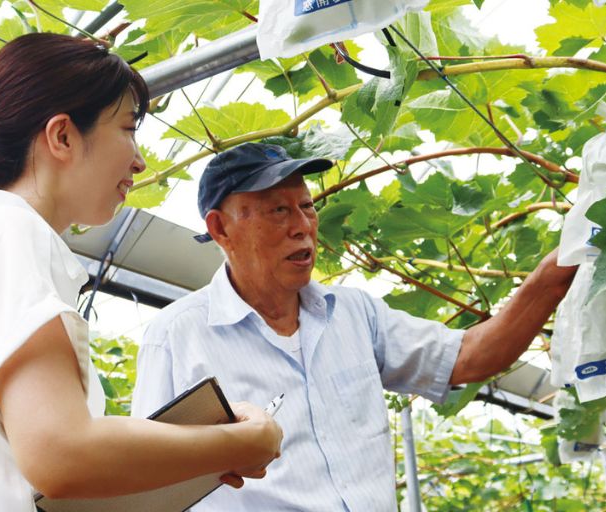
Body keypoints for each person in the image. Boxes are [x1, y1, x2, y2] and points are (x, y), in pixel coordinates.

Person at [0, 35, 282, 511]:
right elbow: (60, 453)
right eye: (126, 128)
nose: (139, 160)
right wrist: (241, 443)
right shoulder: (11, 235)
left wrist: (195, 451)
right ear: (63, 136)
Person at [131, 142, 577, 511]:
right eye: (277, 212)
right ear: (220, 228)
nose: (303, 226)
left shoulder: (354, 313)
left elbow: (470, 358)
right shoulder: (177, 336)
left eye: (306, 206)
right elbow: (148, 481)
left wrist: (551, 277)